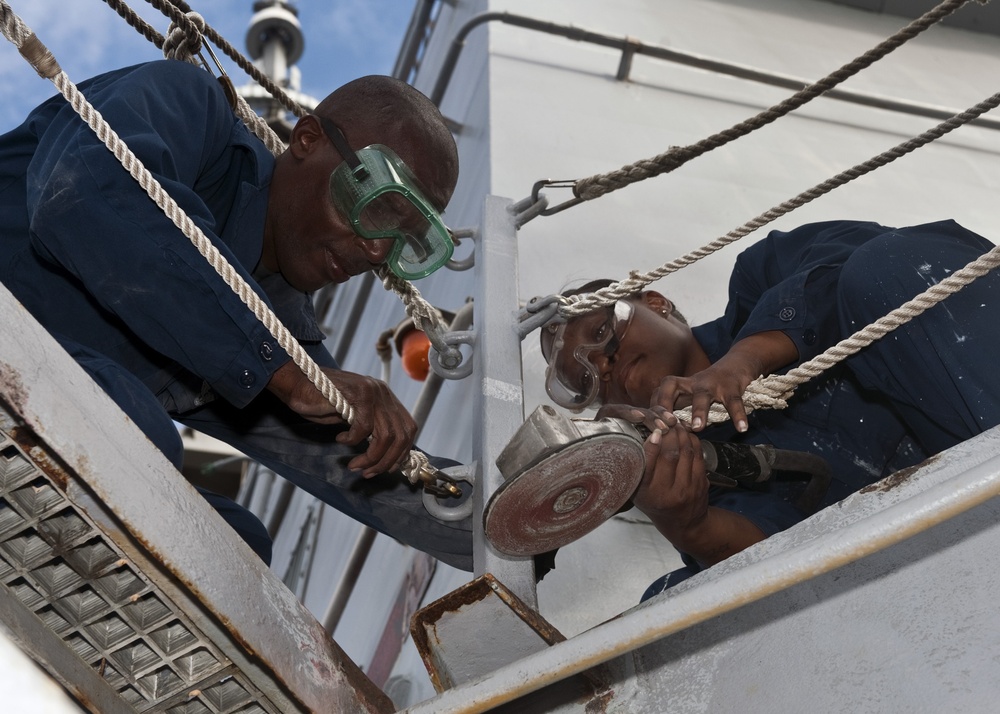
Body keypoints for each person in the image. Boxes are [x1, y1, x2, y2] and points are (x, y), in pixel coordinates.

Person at [0, 59, 473, 570]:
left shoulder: (289, 343)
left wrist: (535, 511)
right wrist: (281, 372)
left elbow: (376, 478)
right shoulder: (189, 104)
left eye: (405, 242)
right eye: (378, 207)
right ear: (308, 139)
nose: (378, 252)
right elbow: (85, 195)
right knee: (130, 431)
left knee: (231, 551)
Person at [541, 219, 1000, 597]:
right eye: (583, 379)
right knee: (670, 604)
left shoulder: (763, 275)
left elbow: (884, 258)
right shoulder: (702, 477)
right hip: (946, 542)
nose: (602, 363)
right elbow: (775, 554)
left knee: (884, 264)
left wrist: (747, 358)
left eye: (602, 333)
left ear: (655, 304)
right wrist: (688, 526)